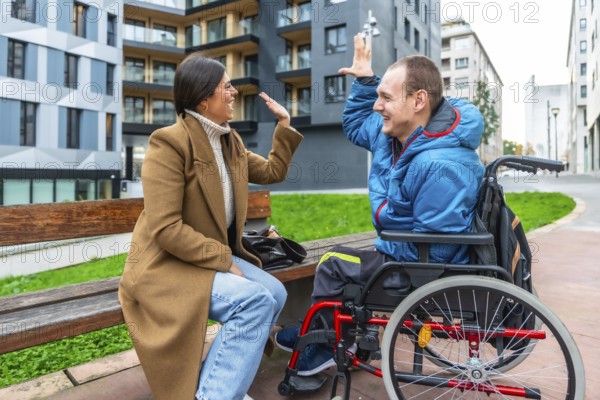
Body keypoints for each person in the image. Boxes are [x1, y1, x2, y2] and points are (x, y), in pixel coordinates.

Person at [275, 33, 485, 376]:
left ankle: (323, 345)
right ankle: (344, 337)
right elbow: (356, 125)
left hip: (421, 267)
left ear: (418, 100)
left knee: (333, 262)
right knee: (351, 260)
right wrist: (364, 80)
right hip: (403, 248)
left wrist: (388, 235)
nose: (377, 105)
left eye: (385, 97)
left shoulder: (440, 165)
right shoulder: (396, 134)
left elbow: (439, 249)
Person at [118, 53, 303, 400]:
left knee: (275, 293)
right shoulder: (169, 143)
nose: (233, 92)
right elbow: (167, 228)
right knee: (254, 303)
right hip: (166, 264)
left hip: (201, 259)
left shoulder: (229, 142)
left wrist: (284, 125)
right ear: (204, 98)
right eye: (226, 86)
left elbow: (272, 172)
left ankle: (220, 385)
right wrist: (225, 260)